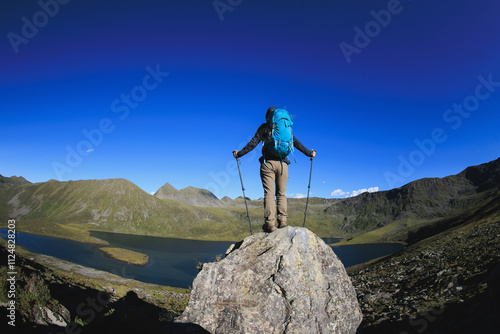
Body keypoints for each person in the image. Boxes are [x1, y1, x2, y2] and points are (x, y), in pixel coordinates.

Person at [233, 106, 316, 233]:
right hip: (283, 165)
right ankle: (282, 221)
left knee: (269, 194)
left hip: (268, 164)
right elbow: (297, 143)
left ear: (268, 117)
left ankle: (270, 224)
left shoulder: (264, 127)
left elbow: (252, 144)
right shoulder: (285, 127)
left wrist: (239, 154)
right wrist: (309, 153)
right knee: (281, 194)